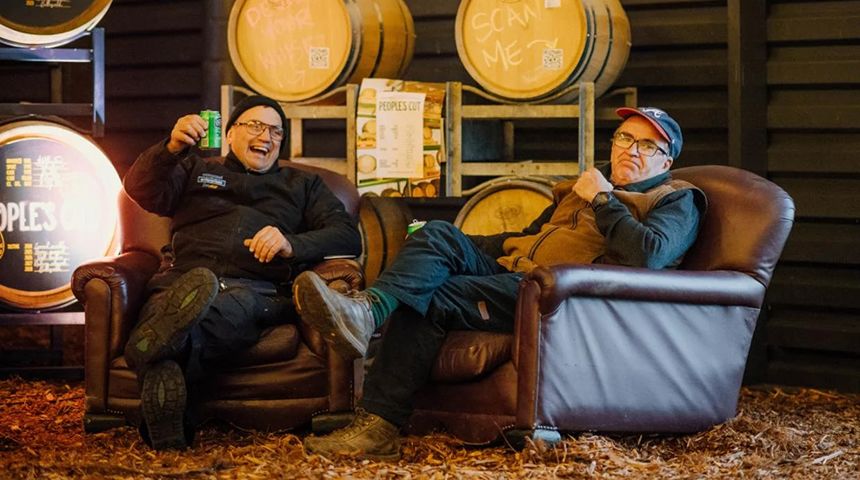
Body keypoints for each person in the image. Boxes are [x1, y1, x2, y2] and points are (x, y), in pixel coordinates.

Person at [294, 107, 708, 460]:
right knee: (436, 233)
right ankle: (368, 311)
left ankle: (379, 425)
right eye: (625, 138)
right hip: (515, 272)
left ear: (665, 162)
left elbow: (649, 254)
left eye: (647, 146)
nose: (631, 150)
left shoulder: (676, 198)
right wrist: (455, 246)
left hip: (561, 296)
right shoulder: (585, 186)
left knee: (435, 294)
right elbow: (531, 237)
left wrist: (603, 199)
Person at [122, 95, 361, 450]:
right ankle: (171, 412)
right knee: (169, 306)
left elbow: (347, 235)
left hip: (255, 288)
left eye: (276, 131)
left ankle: (149, 354)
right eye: (256, 126)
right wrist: (171, 148)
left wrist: (291, 243)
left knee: (219, 315)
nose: (266, 136)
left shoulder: (303, 185)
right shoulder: (193, 169)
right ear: (230, 133)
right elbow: (139, 188)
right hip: (183, 280)